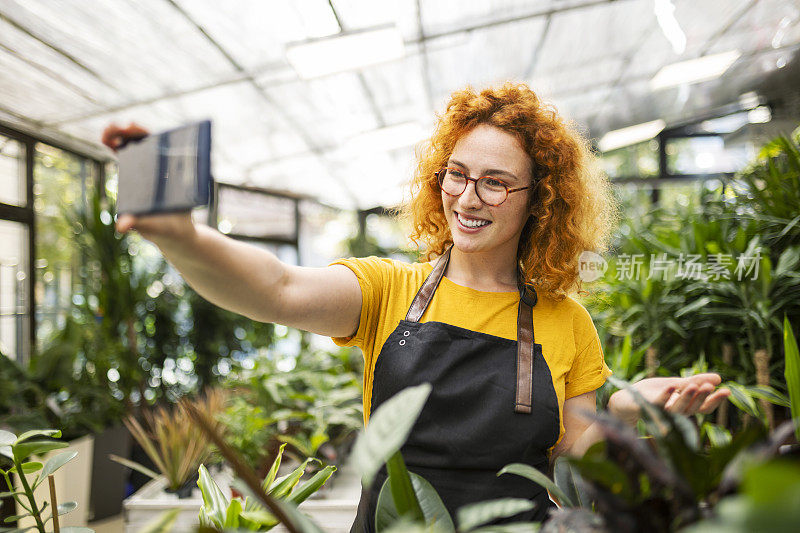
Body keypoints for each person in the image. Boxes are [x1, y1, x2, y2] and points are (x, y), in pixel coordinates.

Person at [102, 81, 730, 531]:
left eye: (495, 181)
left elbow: (579, 446)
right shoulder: (387, 291)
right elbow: (276, 289)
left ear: (539, 200)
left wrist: (639, 410)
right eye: (456, 174)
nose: (467, 197)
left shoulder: (565, 321)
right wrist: (181, 235)